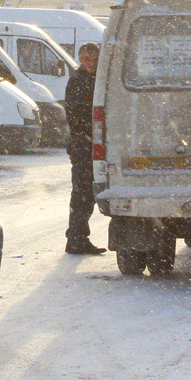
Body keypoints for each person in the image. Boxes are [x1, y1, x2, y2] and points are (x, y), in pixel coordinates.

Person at [63, 41, 105, 254]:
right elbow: (75, 117)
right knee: (82, 193)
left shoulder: (97, 79)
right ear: (80, 59)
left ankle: (78, 237)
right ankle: (76, 239)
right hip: (83, 144)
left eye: (94, 59)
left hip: (90, 143)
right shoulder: (78, 81)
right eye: (86, 59)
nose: (90, 63)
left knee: (86, 193)